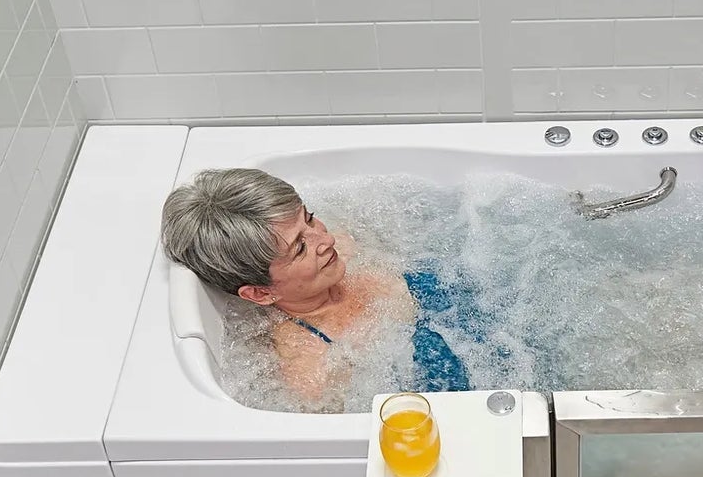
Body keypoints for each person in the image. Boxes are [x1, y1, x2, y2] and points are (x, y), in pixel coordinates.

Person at [159, 167, 473, 404]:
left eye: (309, 218)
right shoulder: (314, 368)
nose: (326, 239)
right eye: (299, 248)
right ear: (261, 293)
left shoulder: (339, 251)